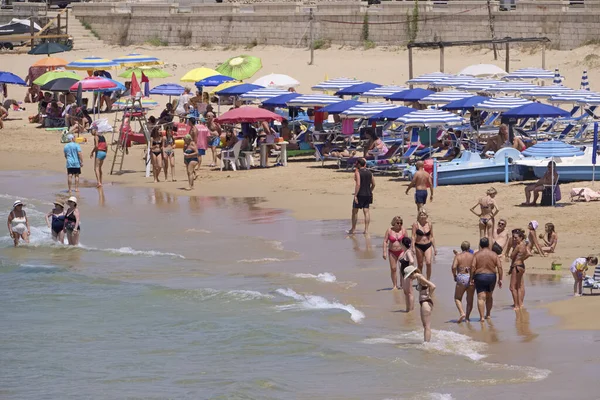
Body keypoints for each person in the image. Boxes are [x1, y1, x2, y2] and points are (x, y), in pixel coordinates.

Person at [471, 237, 503, 322]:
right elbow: (499, 267)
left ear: (480, 245)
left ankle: (481, 317)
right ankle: (488, 314)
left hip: (480, 276)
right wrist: (500, 279)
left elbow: (473, 267)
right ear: (489, 245)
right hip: (491, 276)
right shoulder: (494, 254)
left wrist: (471, 278)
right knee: (489, 296)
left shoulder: (477, 254)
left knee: (481, 298)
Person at [403, 266, 436, 342]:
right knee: (425, 326)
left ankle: (427, 344)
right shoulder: (419, 277)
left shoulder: (420, 278)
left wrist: (429, 295)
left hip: (426, 302)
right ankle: (426, 342)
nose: (410, 278)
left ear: (413, 273)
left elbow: (433, 286)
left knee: (426, 326)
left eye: (410, 276)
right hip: (424, 302)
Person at [348, 158, 375, 235]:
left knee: (355, 211)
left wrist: (355, 195)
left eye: (357, 163)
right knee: (366, 211)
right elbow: (374, 184)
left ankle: (353, 229)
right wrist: (370, 191)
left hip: (360, 194)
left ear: (359, 164)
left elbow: (358, 184)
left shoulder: (358, 172)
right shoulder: (370, 172)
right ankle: (366, 230)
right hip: (368, 194)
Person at [452, 241, 475, 323]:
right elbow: (474, 267)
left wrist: (454, 275)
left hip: (461, 277)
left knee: (457, 298)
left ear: (461, 248)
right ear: (469, 248)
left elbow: (454, 267)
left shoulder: (458, 256)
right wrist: (472, 278)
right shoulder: (472, 256)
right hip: (470, 278)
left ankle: (462, 313)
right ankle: (467, 318)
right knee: (470, 299)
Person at [382, 216, 407, 290]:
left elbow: (407, 241)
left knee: (402, 267)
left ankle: (402, 284)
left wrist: (408, 252)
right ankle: (395, 285)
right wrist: (384, 252)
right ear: (394, 223)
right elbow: (385, 241)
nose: (399, 224)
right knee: (393, 268)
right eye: (398, 223)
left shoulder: (403, 230)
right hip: (392, 252)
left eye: (401, 223)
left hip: (401, 251)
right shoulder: (389, 230)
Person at [509, 229, 530, 310]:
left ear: (521, 237)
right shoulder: (524, 245)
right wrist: (522, 259)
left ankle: (516, 305)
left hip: (516, 266)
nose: (514, 239)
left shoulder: (518, 246)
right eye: (513, 237)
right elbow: (528, 253)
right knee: (519, 286)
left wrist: (514, 255)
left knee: (512, 287)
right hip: (521, 265)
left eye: (516, 238)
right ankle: (520, 304)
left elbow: (511, 256)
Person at [412, 209, 436, 279]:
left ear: (427, 216)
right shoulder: (416, 224)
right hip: (419, 246)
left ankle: (428, 279)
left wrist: (434, 248)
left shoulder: (429, 224)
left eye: (424, 215)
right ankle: (420, 280)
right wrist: (413, 247)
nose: (423, 216)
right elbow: (413, 236)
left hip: (428, 245)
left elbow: (431, 237)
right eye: (421, 215)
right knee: (420, 264)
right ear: (419, 216)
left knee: (428, 263)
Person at [399, 237, 416, 311]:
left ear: (403, 244)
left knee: (409, 292)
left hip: (407, 274)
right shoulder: (405, 252)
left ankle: (411, 309)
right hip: (404, 274)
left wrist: (409, 271)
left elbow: (412, 261)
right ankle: (407, 308)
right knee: (406, 292)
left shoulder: (408, 252)